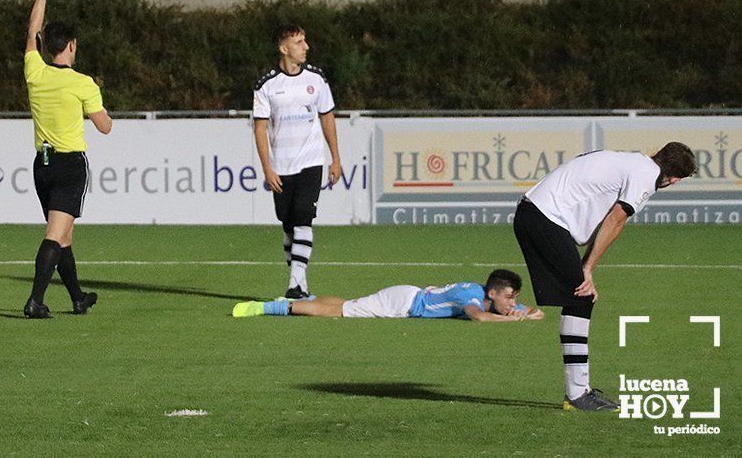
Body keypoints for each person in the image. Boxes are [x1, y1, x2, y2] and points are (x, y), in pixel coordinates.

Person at [513, 143, 696, 412]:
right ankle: (578, 395)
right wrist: (587, 268)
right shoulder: (646, 175)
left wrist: (586, 266)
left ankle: (579, 392)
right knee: (581, 297)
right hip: (543, 217)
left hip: (538, 214)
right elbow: (615, 221)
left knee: (580, 298)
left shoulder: (635, 162)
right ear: (675, 178)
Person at [22, 0, 112, 318]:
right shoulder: (83, 83)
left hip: (41, 165)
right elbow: (104, 126)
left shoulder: (35, 71)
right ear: (71, 46)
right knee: (55, 235)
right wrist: (101, 110)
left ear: (45, 45)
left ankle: (77, 297)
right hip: (69, 165)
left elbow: (31, 31)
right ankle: (35, 300)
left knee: (65, 237)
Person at [253, 24, 342, 299]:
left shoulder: (316, 79)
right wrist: (267, 168)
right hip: (281, 165)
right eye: (299, 42)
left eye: (305, 41)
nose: (306, 46)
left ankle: (296, 280)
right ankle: (298, 282)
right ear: (284, 49)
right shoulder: (266, 85)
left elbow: (327, 116)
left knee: (304, 215)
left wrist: (335, 158)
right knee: (288, 222)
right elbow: (260, 128)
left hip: (311, 162)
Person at [232, 269, 543, 321]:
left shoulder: (477, 291)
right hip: (402, 304)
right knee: (338, 312)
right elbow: (479, 318)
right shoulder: (472, 301)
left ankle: (294, 302)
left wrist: (526, 311)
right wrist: (513, 320)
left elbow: (525, 311)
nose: (512, 302)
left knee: (345, 305)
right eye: (510, 297)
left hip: (406, 295)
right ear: (492, 293)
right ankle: (270, 308)